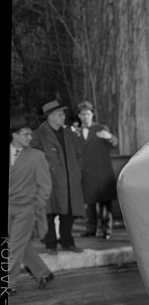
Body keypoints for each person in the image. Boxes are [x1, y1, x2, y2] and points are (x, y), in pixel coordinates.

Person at [8, 118, 55, 293]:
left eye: (30, 134)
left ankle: (7, 284)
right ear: (15, 135)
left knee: (13, 247)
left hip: (26, 209)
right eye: (26, 134)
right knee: (20, 244)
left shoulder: (37, 156)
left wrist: (37, 207)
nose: (30, 137)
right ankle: (43, 273)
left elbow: (45, 186)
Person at [33, 99, 85, 253]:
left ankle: (68, 242)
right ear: (51, 116)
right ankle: (51, 245)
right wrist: (48, 168)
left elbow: (79, 154)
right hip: (49, 180)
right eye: (60, 114)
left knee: (68, 212)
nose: (63, 117)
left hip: (70, 179)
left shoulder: (69, 133)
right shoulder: (38, 134)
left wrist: (77, 170)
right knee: (50, 212)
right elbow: (34, 156)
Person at [76, 101, 119, 238]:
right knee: (89, 203)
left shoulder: (101, 128)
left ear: (92, 114)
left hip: (101, 173)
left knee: (105, 203)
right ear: (79, 116)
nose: (86, 116)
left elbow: (114, 143)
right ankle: (91, 229)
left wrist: (109, 137)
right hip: (86, 173)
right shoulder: (76, 132)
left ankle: (107, 230)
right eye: (83, 114)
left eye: (88, 114)